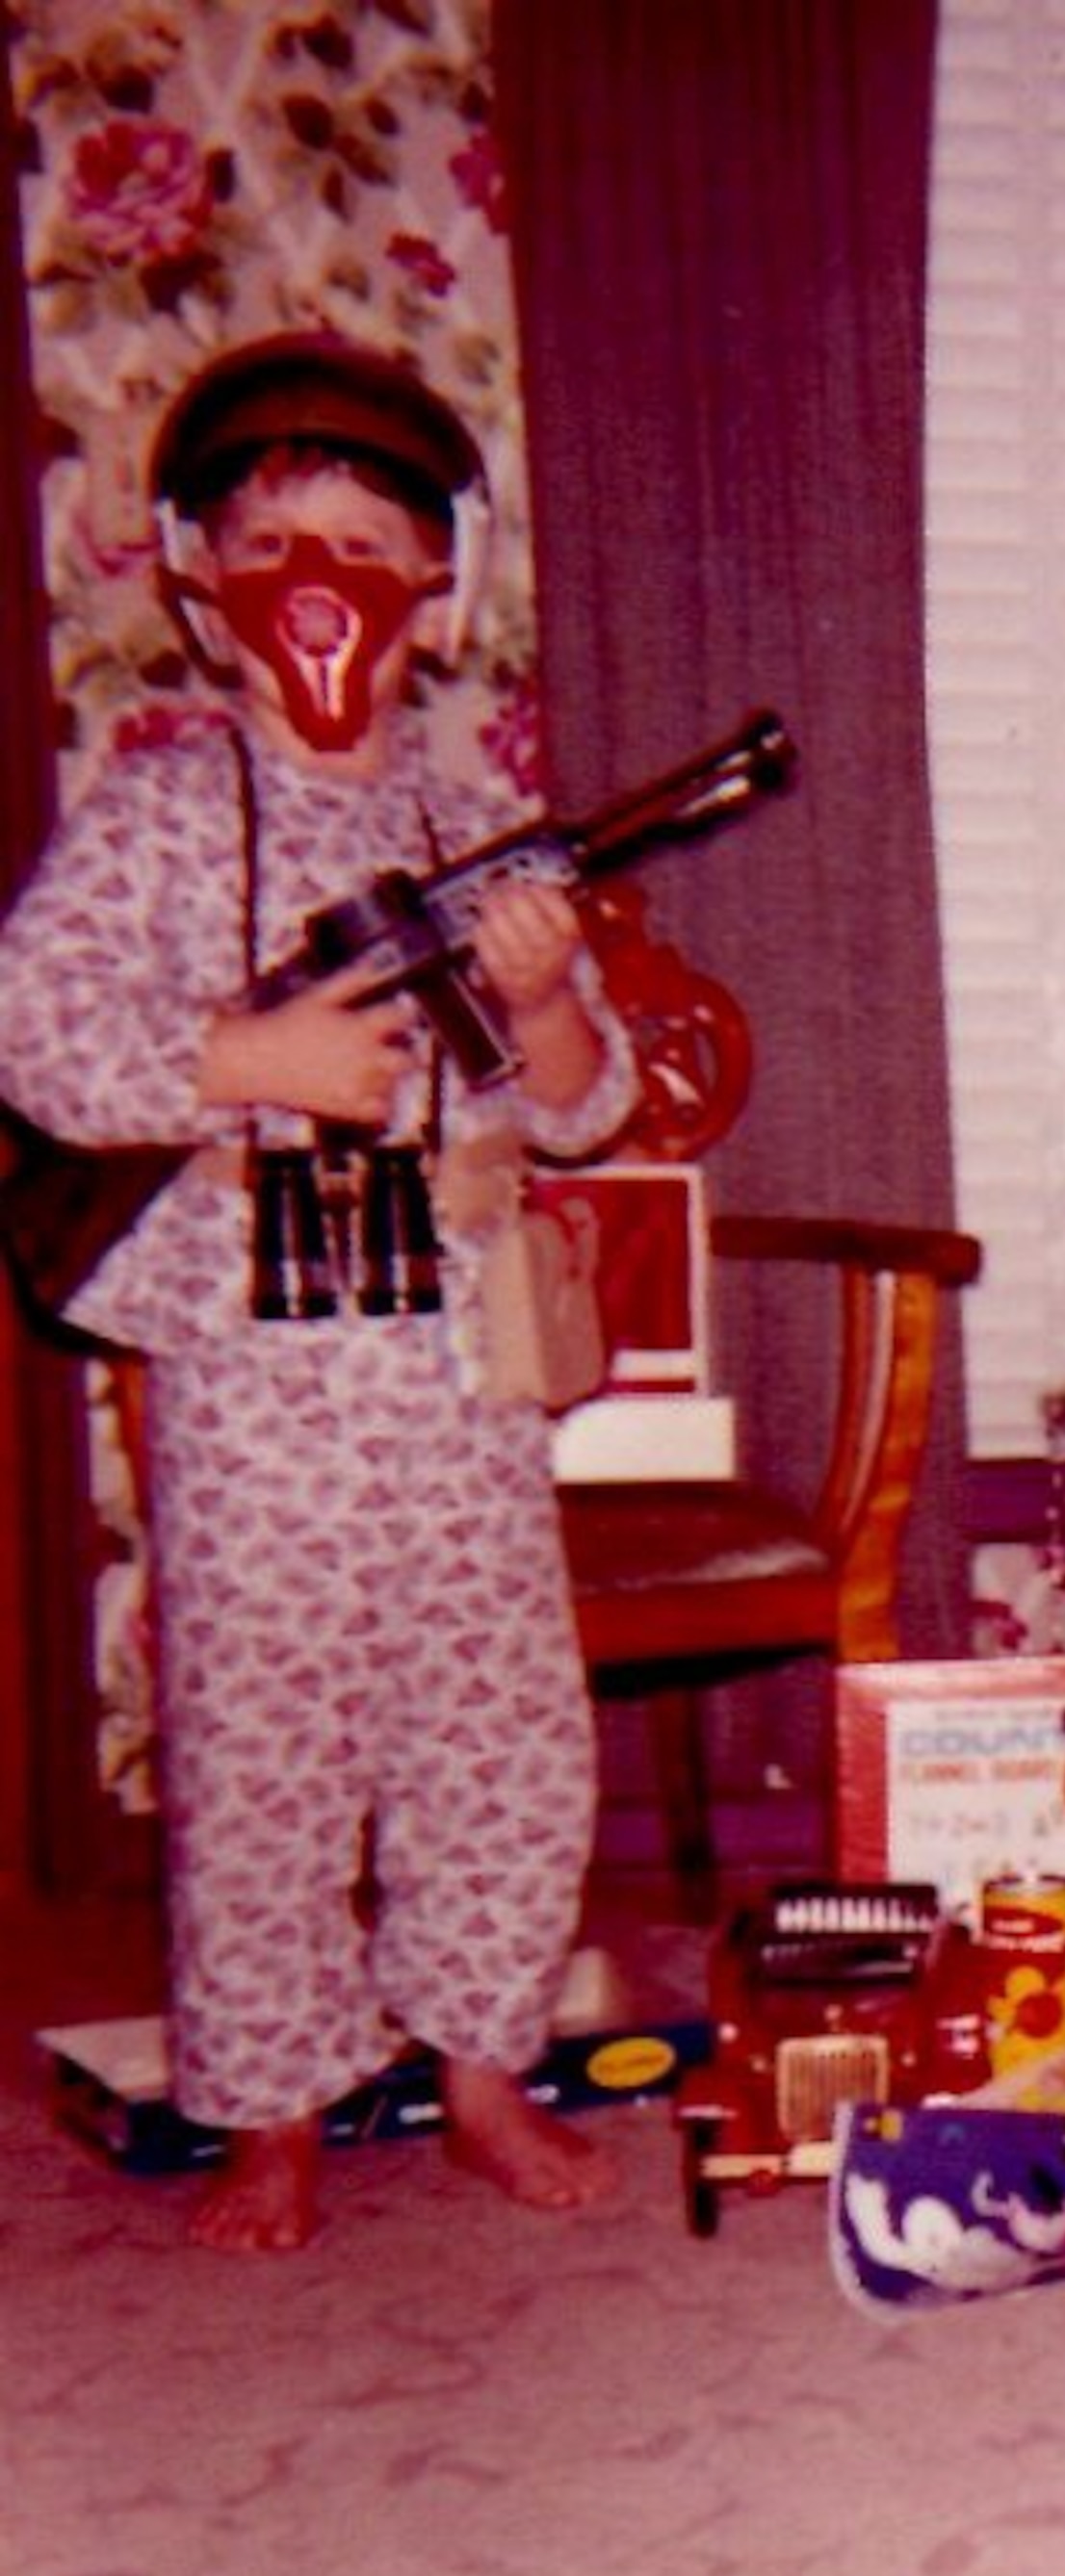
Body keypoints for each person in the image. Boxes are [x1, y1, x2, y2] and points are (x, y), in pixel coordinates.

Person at [0, 332, 640, 2252]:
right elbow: (30, 1026)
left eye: (368, 541)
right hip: (255, 1382)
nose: (322, 582)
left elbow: (588, 1099)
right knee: (266, 1741)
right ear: (202, 578)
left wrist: (534, 992)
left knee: (500, 1726)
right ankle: (272, 2094)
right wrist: (240, 1061)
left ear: (434, 592)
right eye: (277, 538)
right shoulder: (160, 819)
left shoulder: (475, 826)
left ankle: (479, 2063)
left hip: (455, 1375)